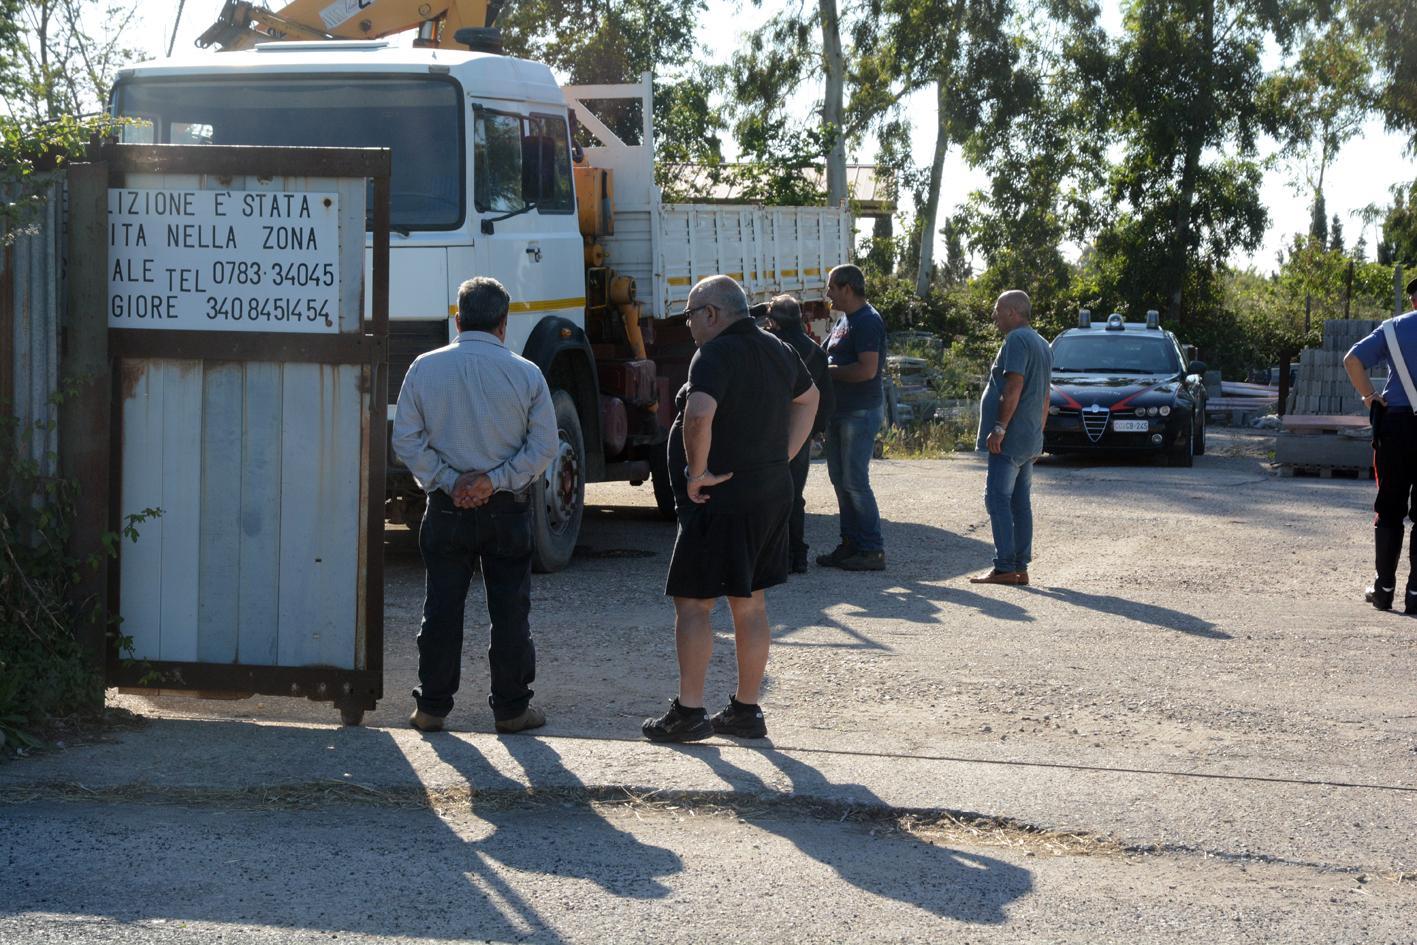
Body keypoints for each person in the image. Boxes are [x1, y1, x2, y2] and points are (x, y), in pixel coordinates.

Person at [642, 275, 819, 743]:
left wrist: (696, 473)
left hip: (722, 496)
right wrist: (782, 455)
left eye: (690, 316)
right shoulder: (778, 349)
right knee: (751, 600)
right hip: (770, 489)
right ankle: (746, 709)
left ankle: (690, 712)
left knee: (694, 603)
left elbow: (698, 414)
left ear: (713, 314)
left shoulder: (714, 353)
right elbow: (810, 398)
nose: (689, 325)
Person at [392, 276, 558, 734]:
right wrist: (495, 481)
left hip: (445, 509)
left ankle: (431, 708)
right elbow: (544, 446)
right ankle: (511, 710)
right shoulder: (527, 373)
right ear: (504, 324)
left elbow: (406, 438)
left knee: (441, 609)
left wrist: (449, 480)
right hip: (507, 510)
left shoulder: (424, 367)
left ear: (458, 317)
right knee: (509, 612)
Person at [1343, 276, 1417, 612]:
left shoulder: (1392, 329)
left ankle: (1384, 589)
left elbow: (1352, 360)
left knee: (1389, 508)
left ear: (1414, 300)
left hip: (1397, 426)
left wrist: (1370, 397)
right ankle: (1416, 594)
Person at [970, 289, 1052, 586]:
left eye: (997, 310)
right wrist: (1037, 432)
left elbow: (1013, 386)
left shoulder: (1016, 340)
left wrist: (1000, 427)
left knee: (997, 498)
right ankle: (1020, 567)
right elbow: (1045, 395)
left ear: (1012, 312)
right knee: (1019, 502)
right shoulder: (1042, 342)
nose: (994, 316)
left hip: (1011, 437)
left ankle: (1005, 566)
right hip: (1028, 436)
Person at [818, 264, 888, 571]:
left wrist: (827, 372)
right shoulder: (844, 320)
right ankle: (850, 544)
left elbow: (867, 370)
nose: (828, 293)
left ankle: (872, 550)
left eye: (832, 287)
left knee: (855, 481)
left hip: (859, 412)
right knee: (839, 479)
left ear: (848, 288)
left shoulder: (867, 321)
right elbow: (825, 354)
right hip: (839, 411)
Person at [761, 294, 835, 573]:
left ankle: (771, 554)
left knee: (766, 493)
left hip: (768, 431)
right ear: (800, 319)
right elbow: (827, 399)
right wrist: (816, 430)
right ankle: (797, 555)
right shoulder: (816, 352)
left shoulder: (770, 348)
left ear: (773, 322)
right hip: (800, 432)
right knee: (794, 494)